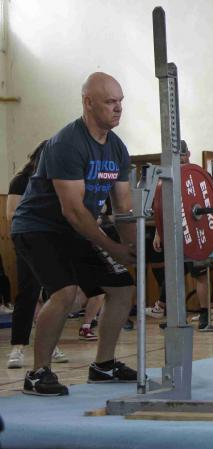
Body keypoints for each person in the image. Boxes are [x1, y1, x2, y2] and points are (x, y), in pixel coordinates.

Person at [11, 72, 138, 396]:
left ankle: (103, 366)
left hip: (77, 229)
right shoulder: (67, 143)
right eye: (110, 102)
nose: (118, 108)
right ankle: (38, 373)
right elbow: (73, 210)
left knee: (122, 288)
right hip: (38, 228)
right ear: (88, 102)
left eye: (120, 101)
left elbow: (123, 205)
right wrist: (112, 246)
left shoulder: (117, 149)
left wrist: (131, 246)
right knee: (65, 292)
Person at [6, 142, 69, 368]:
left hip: (53, 240)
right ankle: (18, 347)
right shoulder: (21, 180)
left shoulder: (56, 180)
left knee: (56, 294)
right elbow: (11, 213)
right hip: (29, 239)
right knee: (28, 292)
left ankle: (51, 345)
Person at [146, 142, 213, 331]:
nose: (180, 158)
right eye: (177, 155)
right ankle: (176, 317)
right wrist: (158, 233)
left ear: (189, 153)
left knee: (200, 275)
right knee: (174, 274)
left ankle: (204, 316)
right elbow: (161, 208)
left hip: (197, 233)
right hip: (175, 235)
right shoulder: (168, 178)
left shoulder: (200, 176)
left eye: (183, 154)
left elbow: (210, 208)